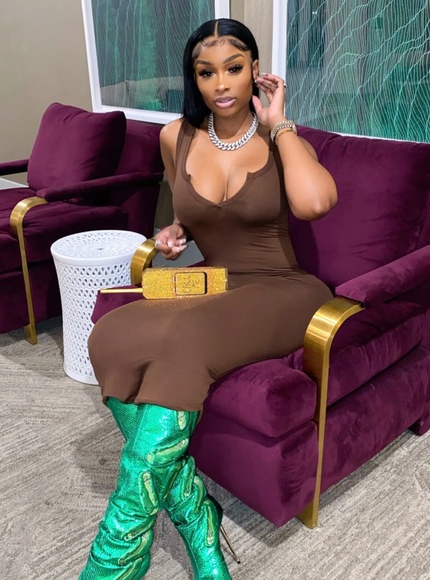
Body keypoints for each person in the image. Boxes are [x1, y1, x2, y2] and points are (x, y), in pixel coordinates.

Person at [79, 18, 337, 580]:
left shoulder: (280, 139)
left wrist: (280, 124)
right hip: (217, 280)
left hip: (285, 289)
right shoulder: (176, 137)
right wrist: (174, 235)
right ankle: (198, 517)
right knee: (110, 334)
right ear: (193, 79)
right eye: (206, 72)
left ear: (256, 72)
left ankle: (115, 558)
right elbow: (190, 218)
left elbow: (315, 204)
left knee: (182, 340)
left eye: (234, 68)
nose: (221, 83)